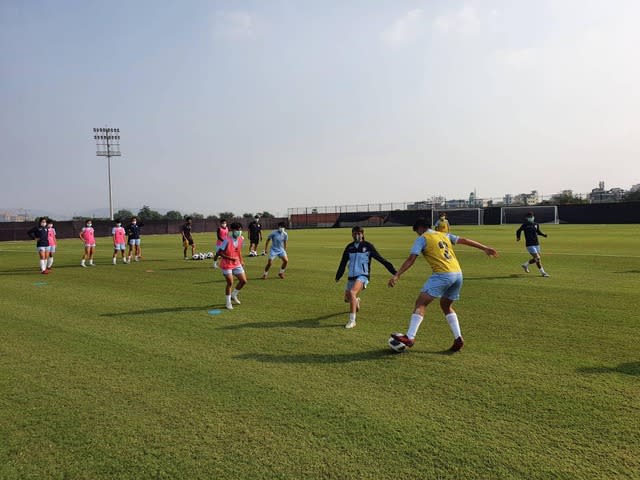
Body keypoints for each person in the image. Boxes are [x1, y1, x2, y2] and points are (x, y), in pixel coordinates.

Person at [388, 217, 497, 351]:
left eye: (417, 231)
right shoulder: (443, 234)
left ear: (420, 228)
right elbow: (464, 240)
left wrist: (397, 275)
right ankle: (458, 338)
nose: (417, 234)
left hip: (443, 274)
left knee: (421, 303)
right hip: (458, 274)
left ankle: (410, 337)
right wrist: (484, 248)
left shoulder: (423, 238)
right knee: (446, 305)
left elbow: (411, 259)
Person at [335, 226, 397, 329]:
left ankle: (352, 321)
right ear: (352, 234)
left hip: (363, 276)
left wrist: (395, 272)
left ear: (363, 234)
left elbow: (381, 259)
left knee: (352, 293)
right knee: (347, 299)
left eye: (359, 233)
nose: (357, 235)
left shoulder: (368, 246)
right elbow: (343, 262)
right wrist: (338, 275)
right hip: (351, 277)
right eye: (355, 233)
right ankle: (356, 301)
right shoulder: (349, 247)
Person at [215, 222, 247, 310]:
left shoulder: (241, 239)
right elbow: (219, 253)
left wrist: (241, 260)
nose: (239, 231)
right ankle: (228, 302)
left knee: (243, 281)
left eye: (240, 230)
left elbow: (239, 250)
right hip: (227, 264)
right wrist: (230, 258)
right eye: (237, 230)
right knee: (230, 282)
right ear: (232, 230)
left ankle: (234, 294)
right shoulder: (226, 240)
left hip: (236, 263)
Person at [516, 211, 549, 277]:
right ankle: (542, 272)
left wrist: (543, 235)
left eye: (532, 216)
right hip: (529, 244)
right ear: (527, 218)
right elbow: (518, 231)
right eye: (529, 217)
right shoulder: (525, 224)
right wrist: (518, 237)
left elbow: (538, 232)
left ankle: (526, 265)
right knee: (538, 258)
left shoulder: (536, 224)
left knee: (537, 259)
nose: (531, 217)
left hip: (536, 243)